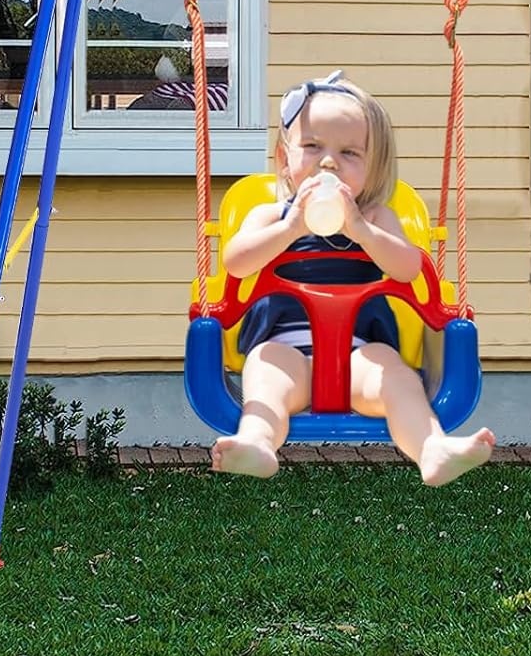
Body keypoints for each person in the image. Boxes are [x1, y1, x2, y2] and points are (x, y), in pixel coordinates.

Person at [210, 71, 495, 486]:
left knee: (397, 378)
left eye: (349, 152)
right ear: (283, 159)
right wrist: (290, 229)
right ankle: (257, 443)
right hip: (282, 347)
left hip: (359, 357)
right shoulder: (271, 215)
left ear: (372, 168)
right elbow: (235, 262)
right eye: (312, 147)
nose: (329, 162)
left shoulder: (377, 217)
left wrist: (359, 227)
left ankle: (432, 449)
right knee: (263, 372)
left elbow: (407, 267)